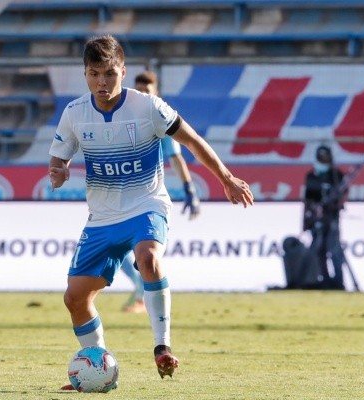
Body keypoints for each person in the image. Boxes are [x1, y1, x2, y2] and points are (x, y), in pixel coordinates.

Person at [48, 34, 254, 388]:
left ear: (123, 71)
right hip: (103, 217)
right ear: (85, 74)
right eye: (94, 74)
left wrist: (226, 177)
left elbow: (192, 140)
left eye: (109, 73)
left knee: (149, 258)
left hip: (147, 204)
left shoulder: (149, 107)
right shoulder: (74, 113)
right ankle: (101, 367)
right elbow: (58, 158)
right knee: (75, 298)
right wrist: (59, 171)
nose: (102, 82)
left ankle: (162, 346)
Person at [120, 70, 200, 314]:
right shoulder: (119, 116)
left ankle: (143, 294)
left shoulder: (159, 119)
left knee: (141, 251)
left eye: (147, 91)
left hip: (146, 197)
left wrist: (189, 188)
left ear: (156, 94)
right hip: (117, 195)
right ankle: (141, 291)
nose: (142, 95)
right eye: (138, 90)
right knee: (118, 251)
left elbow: (176, 157)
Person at [302, 145, 347, 290]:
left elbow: (344, 193)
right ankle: (323, 279)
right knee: (318, 250)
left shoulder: (337, 175)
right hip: (316, 218)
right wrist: (308, 218)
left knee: (334, 249)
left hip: (332, 217)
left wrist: (337, 204)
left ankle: (339, 281)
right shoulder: (311, 176)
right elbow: (308, 199)